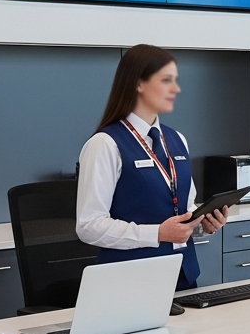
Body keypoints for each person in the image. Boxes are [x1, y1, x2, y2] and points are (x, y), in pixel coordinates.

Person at [76, 44, 229, 294]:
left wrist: (203, 222)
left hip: (183, 276)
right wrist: (157, 233)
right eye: (166, 80)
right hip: (131, 282)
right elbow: (89, 226)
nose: (175, 89)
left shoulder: (177, 139)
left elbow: (184, 207)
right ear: (139, 84)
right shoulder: (105, 144)